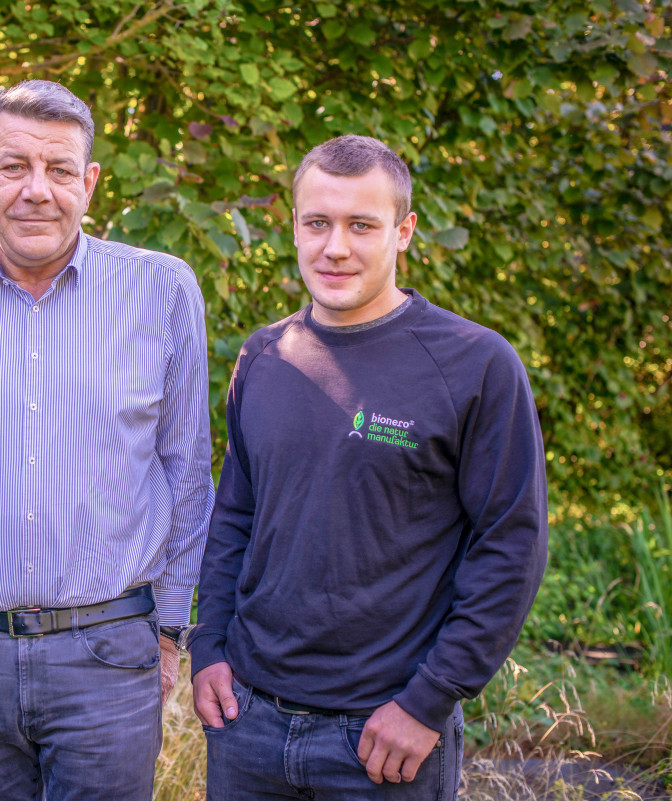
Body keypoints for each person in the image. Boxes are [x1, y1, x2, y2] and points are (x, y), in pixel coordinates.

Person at [0, 80, 213, 801]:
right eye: (14, 165)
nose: (36, 191)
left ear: (89, 182)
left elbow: (187, 468)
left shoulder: (163, 291)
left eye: (59, 170)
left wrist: (170, 630)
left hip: (111, 653)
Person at [190, 134, 548, 800]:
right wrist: (207, 645)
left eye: (362, 224)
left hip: (384, 739)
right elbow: (236, 515)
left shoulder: (476, 365)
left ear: (404, 231)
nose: (335, 246)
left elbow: (513, 546)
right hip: (249, 724)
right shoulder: (266, 355)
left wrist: (429, 701)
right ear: (293, 226)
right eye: (317, 222)